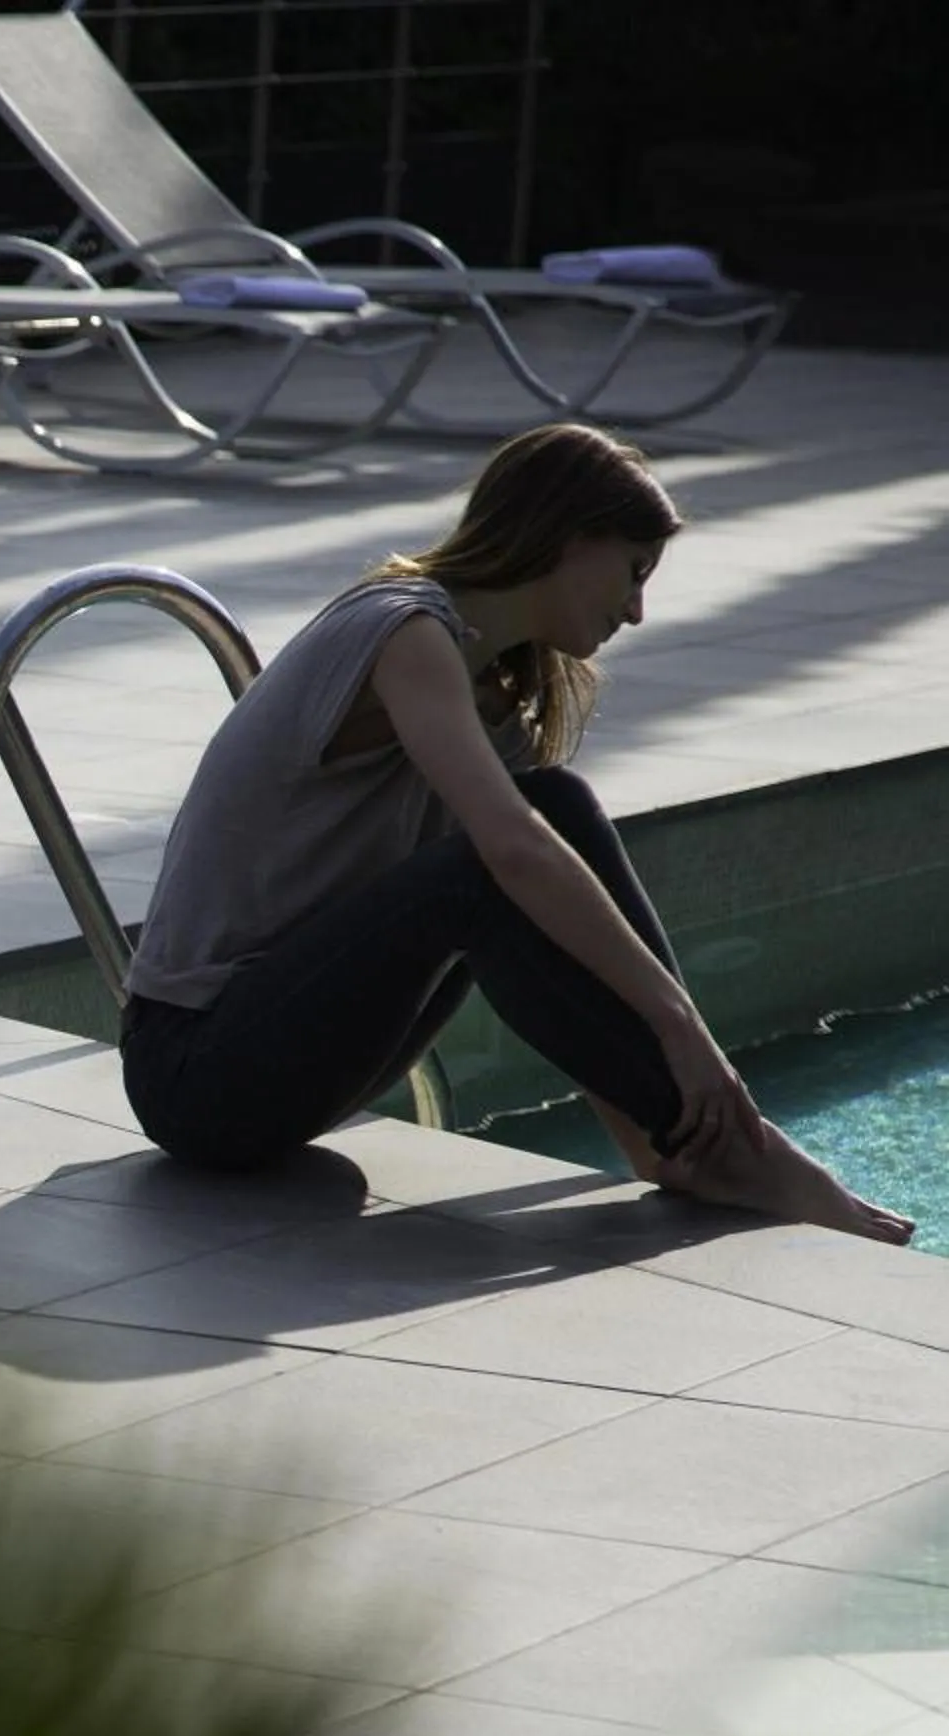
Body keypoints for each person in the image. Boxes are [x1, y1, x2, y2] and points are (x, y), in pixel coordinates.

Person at [119, 421, 913, 1245]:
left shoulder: (491, 694)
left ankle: (689, 1147)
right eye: (634, 572)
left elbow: (544, 914)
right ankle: (734, 1149)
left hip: (285, 1055)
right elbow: (511, 858)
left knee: (552, 808)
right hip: (196, 1071)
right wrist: (685, 1032)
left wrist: (648, 1139)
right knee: (504, 855)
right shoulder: (402, 628)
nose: (637, 612)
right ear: (572, 538)